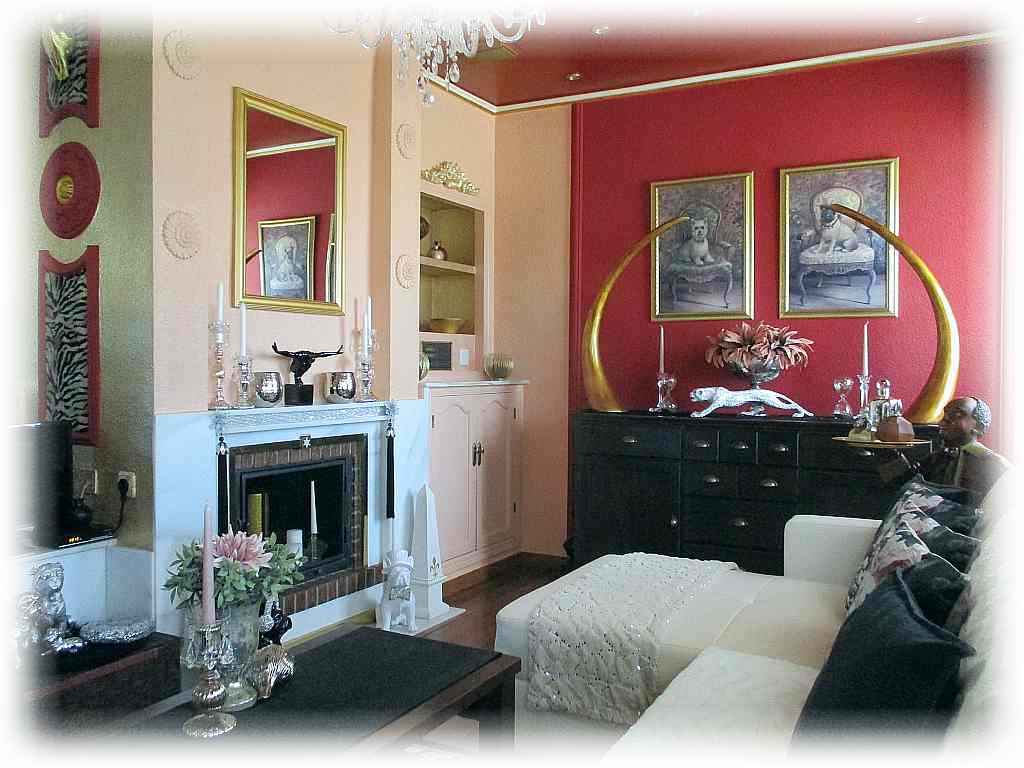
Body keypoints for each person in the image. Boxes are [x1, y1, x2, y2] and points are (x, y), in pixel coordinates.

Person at [879, 396, 1009, 501]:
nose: (945, 419)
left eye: (957, 414)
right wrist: (891, 455)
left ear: (978, 427)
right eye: (946, 414)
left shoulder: (992, 464)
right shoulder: (938, 457)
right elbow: (908, 485)